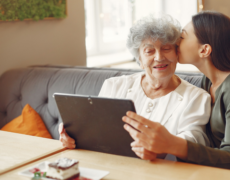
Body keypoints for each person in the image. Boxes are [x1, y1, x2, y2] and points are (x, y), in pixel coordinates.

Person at [123, 11, 230, 176]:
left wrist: (172, 144)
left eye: (182, 37)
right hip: (220, 165)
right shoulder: (209, 81)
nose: (176, 42)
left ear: (204, 50)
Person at [59, 14, 211, 160]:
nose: (159, 57)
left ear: (177, 53)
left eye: (166, 48)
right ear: (139, 58)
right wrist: (73, 135)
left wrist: (160, 150)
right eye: (149, 51)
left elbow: (193, 142)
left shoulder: (196, 97)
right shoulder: (114, 86)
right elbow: (94, 130)